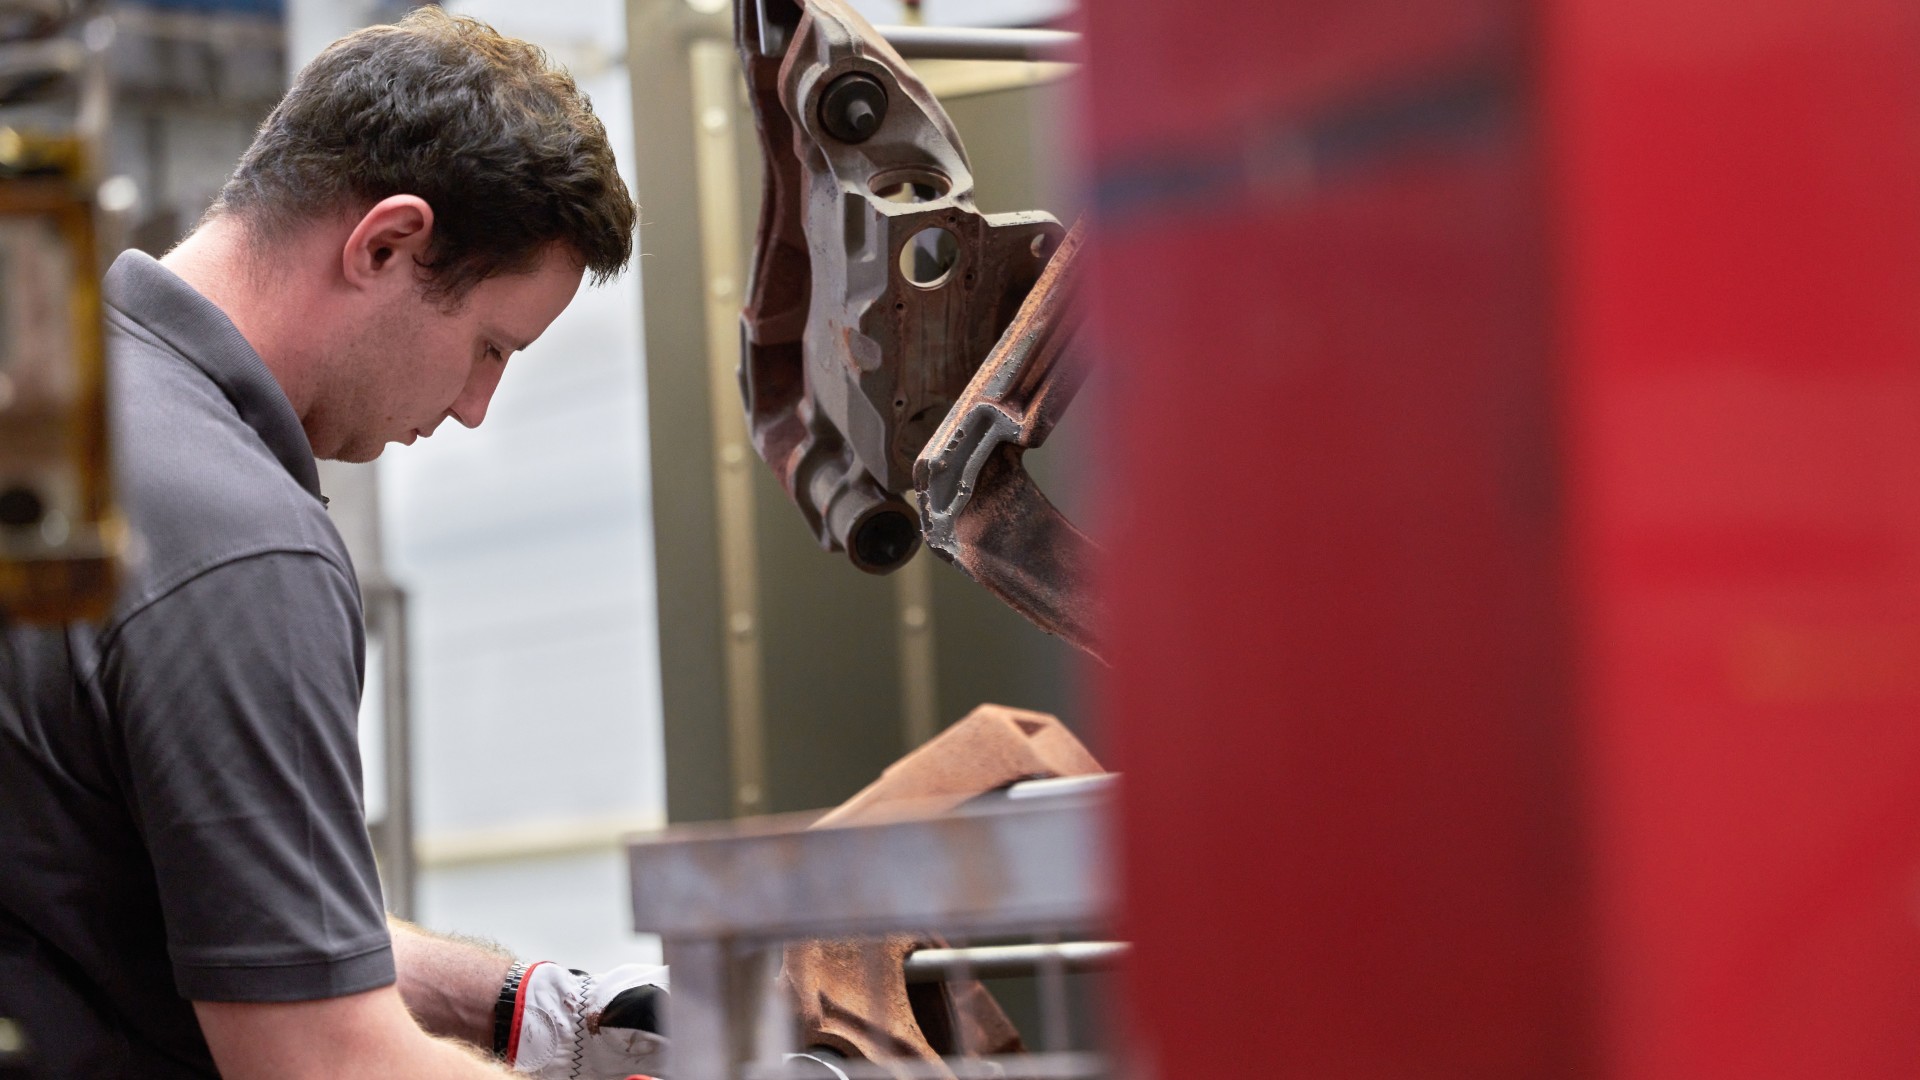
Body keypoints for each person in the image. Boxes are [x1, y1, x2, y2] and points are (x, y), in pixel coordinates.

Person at [0, 9, 667, 1079]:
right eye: (488, 347)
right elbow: (320, 1061)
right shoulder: (240, 546)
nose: (475, 408)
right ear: (387, 243)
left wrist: (522, 1008)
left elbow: (194, 905)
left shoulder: (56, 413)